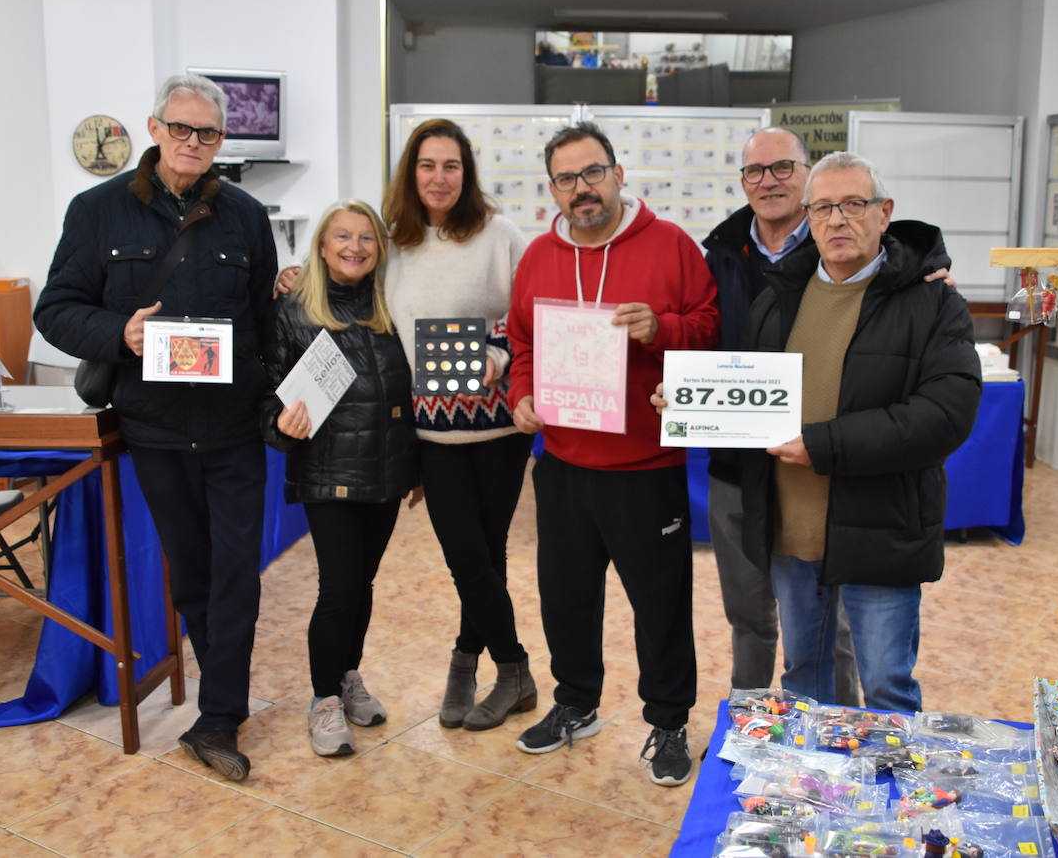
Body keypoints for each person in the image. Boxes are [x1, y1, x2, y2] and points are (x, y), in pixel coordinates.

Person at [35, 72, 278, 780]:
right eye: (181, 128)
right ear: (154, 128)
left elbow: (262, 327)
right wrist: (122, 334)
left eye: (207, 132)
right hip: (156, 428)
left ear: (222, 140)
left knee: (239, 573)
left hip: (233, 426)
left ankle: (220, 715)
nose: (192, 142)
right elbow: (55, 312)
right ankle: (221, 708)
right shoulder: (96, 212)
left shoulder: (245, 216)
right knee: (194, 574)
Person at [507, 122, 719, 786]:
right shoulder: (539, 254)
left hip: (646, 468)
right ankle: (575, 704)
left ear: (619, 174)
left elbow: (711, 328)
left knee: (660, 604)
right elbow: (521, 344)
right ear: (553, 189)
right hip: (564, 465)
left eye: (592, 172)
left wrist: (663, 329)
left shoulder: (673, 245)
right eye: (567, 179)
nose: (582, 188)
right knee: (565, 598)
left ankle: (669, 721)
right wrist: (519, 396)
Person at [740, 151, 981, 713]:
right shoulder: (778, 298)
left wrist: (825, 445)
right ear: (807, 217)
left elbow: (947, 413)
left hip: (881, 528)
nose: (837, 220)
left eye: (853, 204)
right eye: (822, 207)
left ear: (884, 212)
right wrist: (685, 402)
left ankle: (890, 800)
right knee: (806, 679)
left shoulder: (934, 301)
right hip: (792, 529)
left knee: (887, 687)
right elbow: (747, 392)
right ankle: (817, 793)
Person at [382, 119, 538, 732]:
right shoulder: (394, 242)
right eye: (427, 166)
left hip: (497, 432)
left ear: (466, 173)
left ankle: (470, 663)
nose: (439, 178)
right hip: (431, 436)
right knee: (466, 555)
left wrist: (497, 356)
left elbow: (530, 319)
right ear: (411, 173)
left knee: (485, 552)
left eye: (451, 166)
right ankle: (509, 664)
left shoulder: (500, 234)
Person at [701, 127, 859, 704]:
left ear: (807, 172)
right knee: (746, 610)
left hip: (808, 464)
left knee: (821, 618)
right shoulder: (716, 252)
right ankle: (748, 721)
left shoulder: (842, 246)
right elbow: (698, 338)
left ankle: (836, 725)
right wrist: (679, 388)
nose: (768, 181)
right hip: (735, 464)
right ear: (742, 181)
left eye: (783, 168)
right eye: (755, 171)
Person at [261, 199, 419, 757]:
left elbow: (408, 394)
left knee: (363, 585)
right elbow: (267, 392)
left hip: (385, 471)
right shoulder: (293, 310)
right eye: (342, 238)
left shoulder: (392, 308)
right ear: (322, 248)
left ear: (380, 250)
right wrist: (279, 421)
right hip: (327, 471)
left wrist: (415, 469)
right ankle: (323, 699)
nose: (355, 247)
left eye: (366, 239)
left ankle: (348, 676)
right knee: (339, 587)